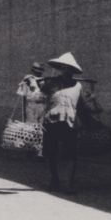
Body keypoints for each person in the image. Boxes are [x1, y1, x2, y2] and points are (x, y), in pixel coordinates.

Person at [40, 52, 85, 193]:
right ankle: (54, 180)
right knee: (51, 152)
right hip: (52, 121)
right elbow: (40, 95)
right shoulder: (51, 83)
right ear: (60, 69)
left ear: (73, 71)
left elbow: (81, 106)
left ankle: (69, 184)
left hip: (70, 123)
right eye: (63, 68)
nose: (66, 71)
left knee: (70, 154)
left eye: (69, 69)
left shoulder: (78, 86)